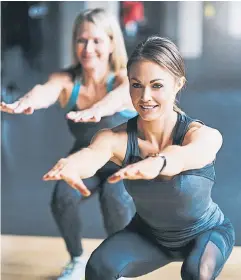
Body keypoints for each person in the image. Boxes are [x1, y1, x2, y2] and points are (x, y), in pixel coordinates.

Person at [43, 36, 236, 280]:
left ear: (178, 84)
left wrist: (157, 163)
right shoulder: (118, 138)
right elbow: (92, 155)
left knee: (196, 272)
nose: (144, 96)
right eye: (136, 85)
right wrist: (71, 165)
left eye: (156, 85)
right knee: (99, 267)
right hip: (149, 236)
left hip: (206, 232)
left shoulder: (201, 136)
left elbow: (186, 156)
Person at [1, 8, 138, 279]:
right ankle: (77, 259)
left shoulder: (124, 78)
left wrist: (99, 108)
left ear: (111, 43)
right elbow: (46, 90)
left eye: (97, 41)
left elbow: (121, 95)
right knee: (62, 198)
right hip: (85, 156)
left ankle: (117, 266)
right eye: (82, 40)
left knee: (115, 201)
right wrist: (27, 102)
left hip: (121, 159)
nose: (88, 48)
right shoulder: (67, 80)